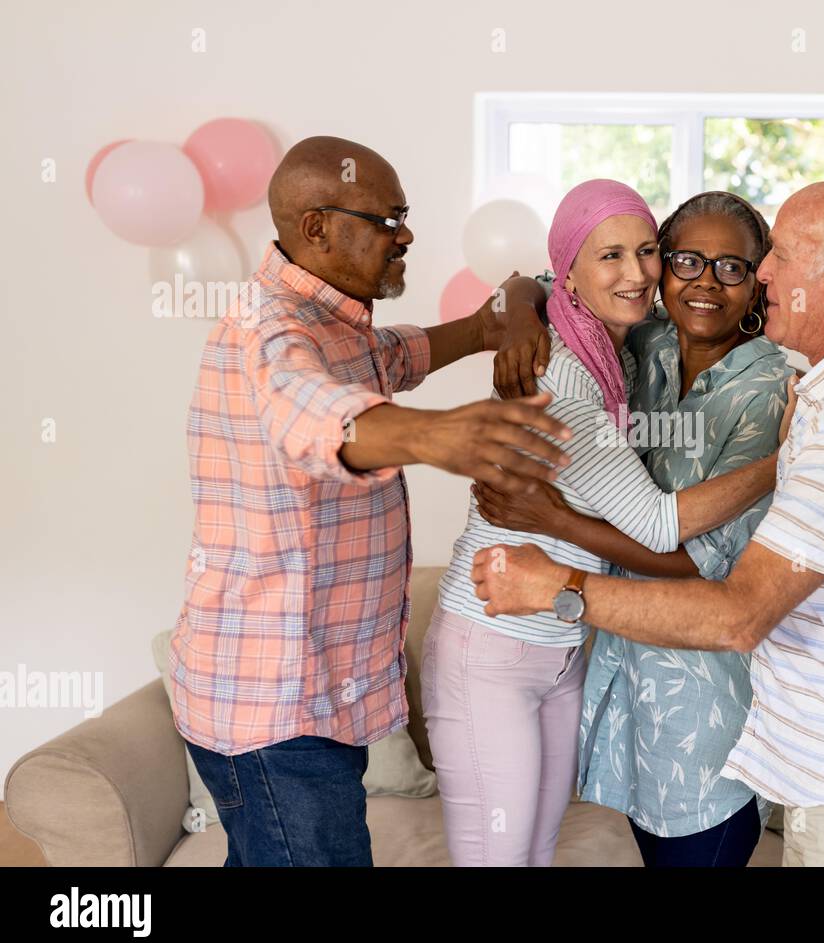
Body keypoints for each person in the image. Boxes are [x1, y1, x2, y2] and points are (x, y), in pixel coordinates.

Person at [471, 181, 824, 867]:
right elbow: (557, 280)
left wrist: (555, 578)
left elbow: (738, 611)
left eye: (773, 258)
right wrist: (515, 313)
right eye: (686, 260)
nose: (765, 272)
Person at [169, 135, 572, 867]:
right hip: (277, 712)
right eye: (388, 219)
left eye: (405, 215)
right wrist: (435, 435)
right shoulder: (272, 332)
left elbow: (480, 317)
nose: (406, 233)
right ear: (317, 226)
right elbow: (316, 413)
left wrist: (515, 307)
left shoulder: (340, 328)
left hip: (316, 700)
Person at [424, 179, 789, 867]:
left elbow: (702, 558)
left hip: (670, 694)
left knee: (533, 854)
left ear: (757, 280)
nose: (701, 281)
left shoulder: (753, 385)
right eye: (684, 259)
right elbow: (539, 280)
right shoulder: (607, 356)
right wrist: (527, 311)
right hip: (521, 642)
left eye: (732, 267)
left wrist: (551, 517)